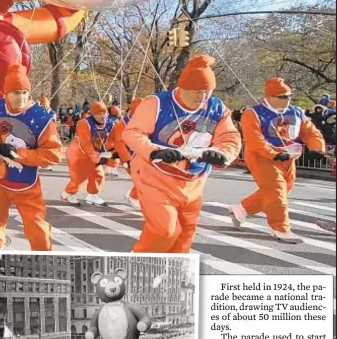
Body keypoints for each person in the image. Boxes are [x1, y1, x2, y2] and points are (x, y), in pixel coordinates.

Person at [123, 55, 241, 253]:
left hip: (193, 181)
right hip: (155, 177)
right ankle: (140, 262)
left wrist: (223, 154)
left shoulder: (217, 108)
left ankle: (173, 273)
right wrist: (155, 151)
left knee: (186, 233)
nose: (202, 98)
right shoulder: (157, 103)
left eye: (207, 92)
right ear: (183, 87)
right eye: (197, 91)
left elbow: (229, 137)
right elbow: (132, 132)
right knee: (165, 230)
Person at [0, 64, 63, 250]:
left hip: (25, 183)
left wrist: (18, 154)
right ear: (6, 93)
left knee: (37, 225)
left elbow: (54, 155)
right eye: (16, 93)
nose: (21, 97)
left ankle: (43, 257)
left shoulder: (42, 118)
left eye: (24, 92)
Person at [229, 77, 326, 244]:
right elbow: (254, 139)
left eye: (289, 96)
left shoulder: (296, 112)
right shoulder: (253, 113)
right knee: (276, 190)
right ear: (270, 97)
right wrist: (272, 153)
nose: (287, 99)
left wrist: (317, 148)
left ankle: (242, 208)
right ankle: (280, 228)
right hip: (262, 157)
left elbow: (310, 132)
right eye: (283, 96)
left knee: (283, 189)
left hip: (289, 157)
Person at [61, 101, 116, 207]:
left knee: (98, 175)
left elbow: (112, 140)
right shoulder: (84, 123)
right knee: (79, 177)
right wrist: (96, 157)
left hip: (94, 152)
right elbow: (85, 143)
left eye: (104, 113)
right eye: (98, 114)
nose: (102, 116)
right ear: (93, 114)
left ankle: (92, 195)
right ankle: (67, 194)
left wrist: (113, 154)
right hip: (77, 153)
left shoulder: (110, 124)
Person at [112, 98, 143, 209]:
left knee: (145, 177)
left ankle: (132, 192)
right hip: (129, 156)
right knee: (141, 177)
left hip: (142, 155)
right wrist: (127, 159)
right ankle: (133, 196)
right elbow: (120, 144)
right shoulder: (121, 124)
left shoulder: (145, 121)